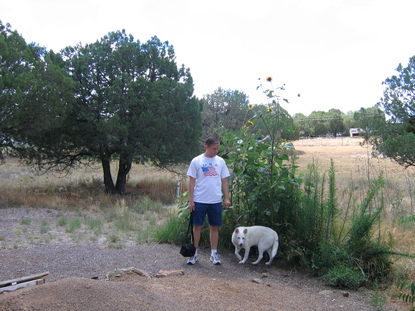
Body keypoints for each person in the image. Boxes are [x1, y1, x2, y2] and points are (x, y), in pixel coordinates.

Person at [186, 136, 231, 265]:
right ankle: (194, 253)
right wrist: (191, 201)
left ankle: (214, 253)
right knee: (197, 227)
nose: (216, 151)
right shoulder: (197, 161)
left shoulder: (221, 162)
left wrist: (226, 198)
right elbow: (191, 182)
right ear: (207, 147)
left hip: (215, 200)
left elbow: (224, 180)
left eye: (218, 149)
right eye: (214, 149)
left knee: (214, 227)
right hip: (199, 199)